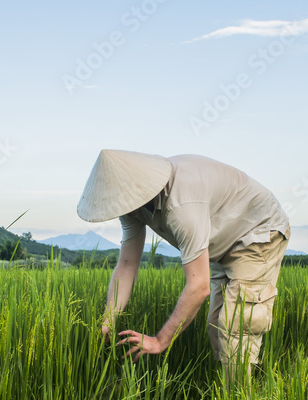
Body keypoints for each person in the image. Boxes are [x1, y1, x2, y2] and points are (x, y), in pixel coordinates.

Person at [76, 149, 291, 383]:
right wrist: (108, 319)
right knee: (217, 327)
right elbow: (127, 265)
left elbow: (198, 286)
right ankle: (237, 389)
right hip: (221, 243)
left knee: (236, 325)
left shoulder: (182, 204)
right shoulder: (131, 207)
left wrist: (160, 340)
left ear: (138, 189)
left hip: (258, 231)